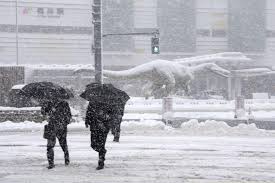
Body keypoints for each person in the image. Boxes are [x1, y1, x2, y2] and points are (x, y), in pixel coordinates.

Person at [41, 99, 72, 169]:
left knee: (63, 144)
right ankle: (51, 163)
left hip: (61, 127)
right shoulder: (48, 103)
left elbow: (68, 115)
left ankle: (66, 159)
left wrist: (63, 123)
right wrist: (45, 106)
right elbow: (43, 112)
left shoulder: (64, 103)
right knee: (50, 146)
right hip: (51, 127)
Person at [85, 100, 114, 170]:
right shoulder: (92, 102)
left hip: (103, 128)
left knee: (101, 144)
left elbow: (112, 115)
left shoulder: (108, 102)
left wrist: (105, 117)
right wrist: (87, 121)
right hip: (94, 127)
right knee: (93, 145)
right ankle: (102, 151)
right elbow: (88, 112)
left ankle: (101, 162)